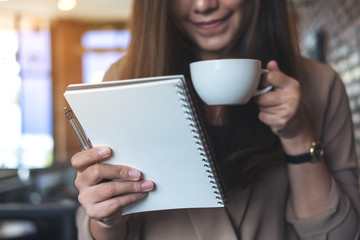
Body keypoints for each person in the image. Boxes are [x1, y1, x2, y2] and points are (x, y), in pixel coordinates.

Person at [72, 0, 360, 239]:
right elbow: (101, 227)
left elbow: (340, 234)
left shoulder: (320, 85)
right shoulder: (123, 81)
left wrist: (298, 135)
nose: (203, 5)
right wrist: (105, 218)